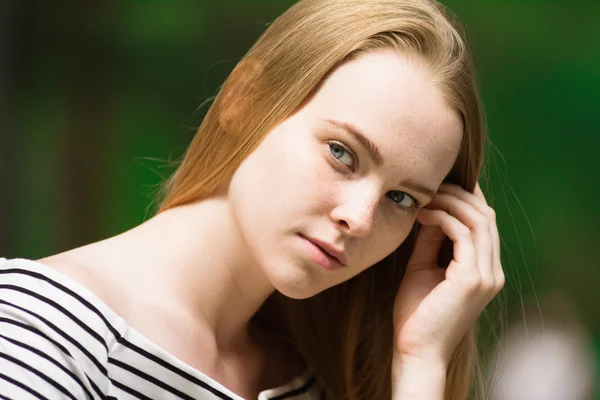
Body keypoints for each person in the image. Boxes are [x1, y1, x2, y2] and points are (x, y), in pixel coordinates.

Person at [0, 0, 504, 398]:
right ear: (244, 99)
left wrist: (420, 363)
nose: (360, 218)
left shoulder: (311, 381)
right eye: (341, 153)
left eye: (401, 197)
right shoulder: (37, 331)